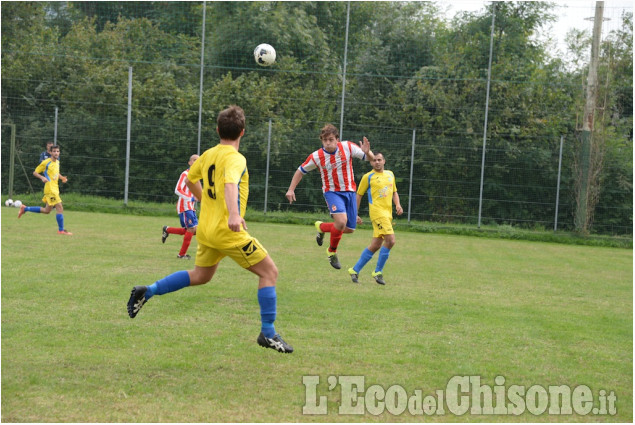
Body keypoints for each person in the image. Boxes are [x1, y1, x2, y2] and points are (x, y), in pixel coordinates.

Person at [127, 105, 293, 353]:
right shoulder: (236, 158)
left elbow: (190, 179)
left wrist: (206, 202)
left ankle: (148, 291)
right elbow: (229, 185)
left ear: (217, 130)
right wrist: (234, 215)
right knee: (270, 272)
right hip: (227, 231)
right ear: (243, 132)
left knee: (201, 276)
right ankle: (268, 333)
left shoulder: (207, 154)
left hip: (207, 228)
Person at [286, 124, 374, 269]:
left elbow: (369, 159)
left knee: (350, 229)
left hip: (350, 191)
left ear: (337, 139)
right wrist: (291, 189)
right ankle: (332, 251)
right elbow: (300, 171)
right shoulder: (317, 156)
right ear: (322, 141)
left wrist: (368, 152)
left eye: (331, 139)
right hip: (332, 192)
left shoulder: (347, 147)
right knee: (341, 222)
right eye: (325, 140)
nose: (328, 143)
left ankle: (321, 227)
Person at [348, 153, 403, 285]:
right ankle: (377, 272)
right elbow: (359, 195)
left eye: (379, 160)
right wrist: (355, 214)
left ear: (384, 161)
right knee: (391, 240)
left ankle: (354, 270)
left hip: (388, 214)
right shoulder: (368, 177)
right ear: (371, 163)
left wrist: (398, 204)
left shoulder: (390, 174)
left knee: (376, 245)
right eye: (374, 160)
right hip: (377, 213)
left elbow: (394, 191)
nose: (377, 162)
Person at [18, 145, 72, 235]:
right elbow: (35, 172)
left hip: (55, 189)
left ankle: (25, 208)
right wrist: (42, 178)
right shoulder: (46, 162)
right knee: (59, 207)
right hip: (50, 189)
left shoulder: (57, 162)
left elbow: (56, 173)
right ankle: (61, 230)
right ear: (50, 152)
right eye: (54, 151)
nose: (56, 153)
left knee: (47, 210)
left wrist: (62, 178)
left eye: (58, 151)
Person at [161, 154, 200, 259]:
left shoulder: (196, 175)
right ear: (189, 163)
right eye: (194, 160)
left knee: (193, 231)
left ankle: (167, 229)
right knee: (191, 230)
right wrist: (190, 198)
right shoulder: (185, 174)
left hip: (190, 207)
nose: (196, 162)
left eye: (198, 160)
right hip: (184, 206)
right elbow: (177, 190)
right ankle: (181, 255)